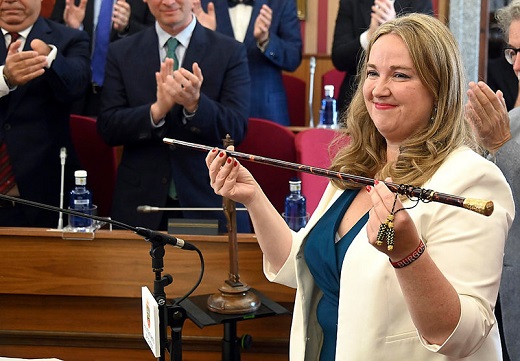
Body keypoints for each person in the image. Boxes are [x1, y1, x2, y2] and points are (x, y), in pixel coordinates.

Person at [207, 13, 514, 360]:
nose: (379, 89)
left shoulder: (473, 179)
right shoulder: (357, 168)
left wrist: (407, 254)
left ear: (438, 88)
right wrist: (253, 197)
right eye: (372, 73)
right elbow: (302, 267)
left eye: (400, 75)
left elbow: (463, 336)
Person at [96, 0, 251, 233]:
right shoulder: (122, 51)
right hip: (139, 203)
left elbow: (236, 128)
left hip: (205, 199)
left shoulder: (229, 51)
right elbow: (107, 127)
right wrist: (156, 111)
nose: (168, 2)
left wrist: (195, 104)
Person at [0, 0, 90, 227]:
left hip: (43, 197)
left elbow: (77, 87)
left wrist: (50, 58)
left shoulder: (69, 38)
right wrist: (5, 79)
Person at [193, 0, 302, 126]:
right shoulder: (203, 3)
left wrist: (266, 40)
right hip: (217, 110)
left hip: (267, 112)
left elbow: (293, 58)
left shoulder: (281, 3)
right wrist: (206, 37)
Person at [51, 0, 155, 116]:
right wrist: (72, 29)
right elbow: (52, 35)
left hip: (122, 97)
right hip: (76, 92)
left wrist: (128, 27)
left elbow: (156, 38)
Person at [331, 0, 432, 112]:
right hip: (353, 102)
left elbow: (426, 53)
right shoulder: (350, 2)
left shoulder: (421, 2)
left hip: (405, 104)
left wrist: (395, 28)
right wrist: (369, 36)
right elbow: (339, 58)